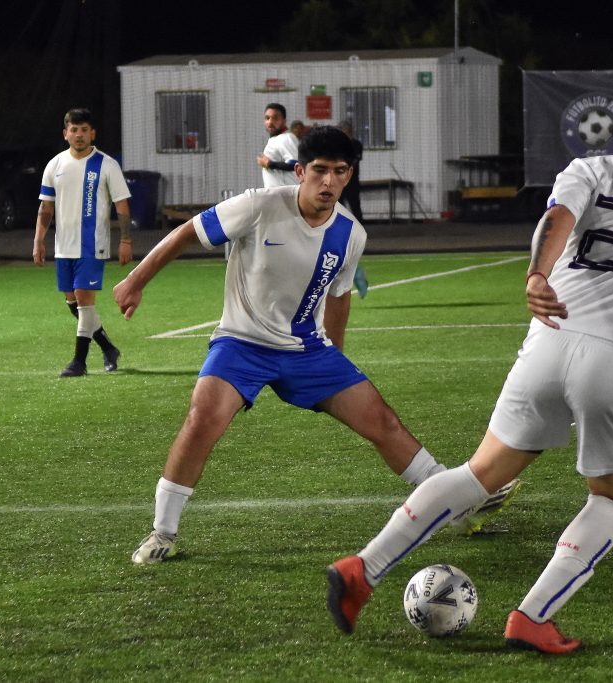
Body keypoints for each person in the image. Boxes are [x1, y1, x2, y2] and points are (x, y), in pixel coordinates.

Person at [325, 80, 613, 654]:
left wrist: (536, 275)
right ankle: (533, 617)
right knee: (611, 497)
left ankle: (362, 568)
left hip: (550, 340)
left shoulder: (593, 168)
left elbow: (556, 218)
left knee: (480, 472)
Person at [115, 127, 517, 565]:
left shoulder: (350, 233)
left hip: (307, 349)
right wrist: (135, 280)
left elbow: (339, 295)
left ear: (349, 175)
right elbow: (187, 232)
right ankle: (163, 532)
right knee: (202, 418)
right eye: (320, 170)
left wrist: (336, 359)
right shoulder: (258, 205)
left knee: (382, 422)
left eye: (339, 172)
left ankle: (456, 505)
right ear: (300, 171)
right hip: (241, 342)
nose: (328, 181)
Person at [33, 107, 132, 377]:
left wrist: (125, 239)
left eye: (84, 130)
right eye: (74, 130)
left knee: (84, 301)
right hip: (63, 245)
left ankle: (79, 362)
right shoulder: (55, 165)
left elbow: (122, 205)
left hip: (92, 245)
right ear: (65, 133)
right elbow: (46, 208)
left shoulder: (107, 164)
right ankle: (108, 348)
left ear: (93, 134)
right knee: (72, 303)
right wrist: (38, 240)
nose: (79, 135)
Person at [338, 120, 369, 298]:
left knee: (354, 207)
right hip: (339, 186)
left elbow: (353, 162)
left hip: (352, 184)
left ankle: (354, 270)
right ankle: (354, 271)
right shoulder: (336, 146)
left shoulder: (355, 145)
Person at [256, 103, 300, 188]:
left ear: (284, 121)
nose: (270, 122)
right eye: (267, 118)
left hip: (286, 192)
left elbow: (295, 164)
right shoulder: (275, 139)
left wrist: (269, 164)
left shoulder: (286, 138)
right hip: (277, 193)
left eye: (275, 118)